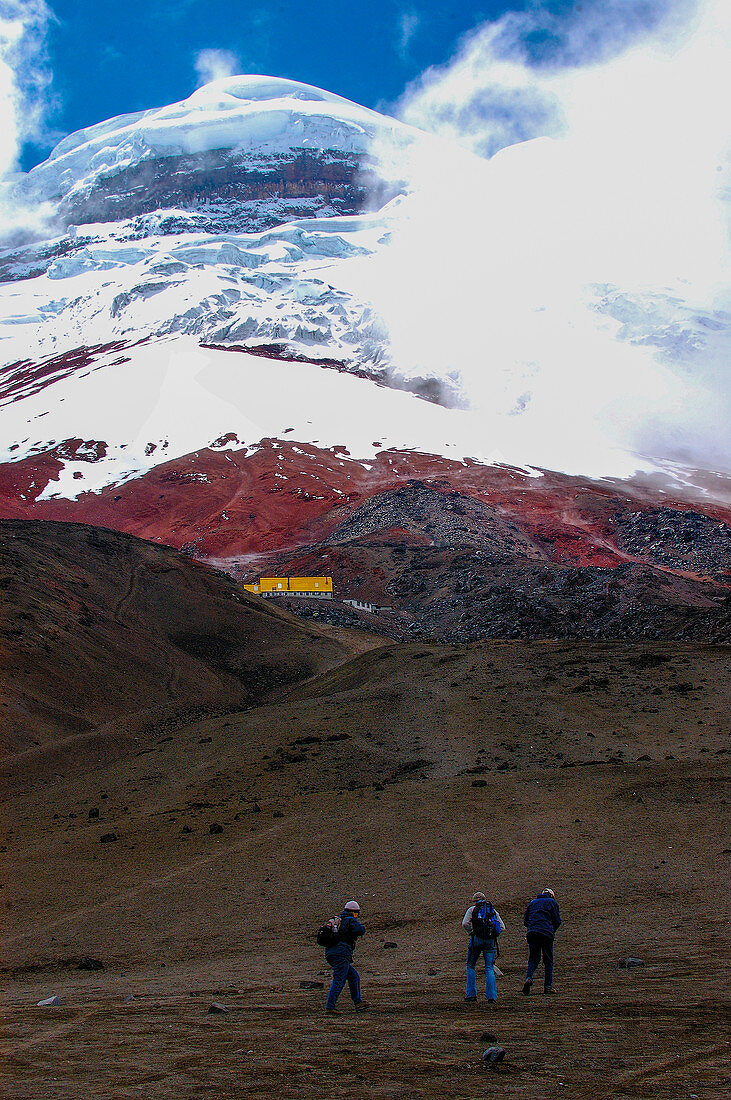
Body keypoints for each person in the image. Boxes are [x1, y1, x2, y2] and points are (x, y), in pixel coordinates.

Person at [462, 891, 506, 1003]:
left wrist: (471, 932)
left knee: (471, 965)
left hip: (476, 939)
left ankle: (471, 995)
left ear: (474, 901)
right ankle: (491, 996)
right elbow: (502, 927)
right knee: (489, 967)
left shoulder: (472, 910)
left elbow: (465, 923)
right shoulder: (492, 910)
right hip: (490, 941)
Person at [324, 900, 367, 1013]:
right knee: (339, 980)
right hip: (341, 954)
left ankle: (358, 1002)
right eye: (356, 914)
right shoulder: (349, 920)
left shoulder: (338, 921)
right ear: (352, 912)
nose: (356, 916)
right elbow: (360, 930)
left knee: (353, 976)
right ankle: (330, 1006)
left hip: (331, 953)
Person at [522, 887, 561, 995]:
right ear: (552, 896)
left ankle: (528, 977)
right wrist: (552, 930)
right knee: (548, 960)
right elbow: (557, 920)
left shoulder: (532, 903)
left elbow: (525, 921)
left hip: (532, 933)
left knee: (533, 958)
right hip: (546, 933)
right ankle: (548, 986)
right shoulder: (552, 902)